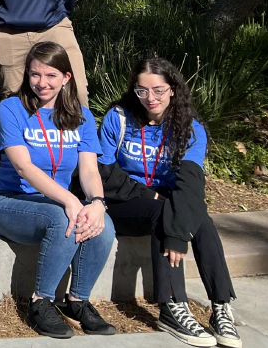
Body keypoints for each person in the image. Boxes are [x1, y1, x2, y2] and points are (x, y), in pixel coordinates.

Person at [98, 58, 239, 348]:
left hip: (167, 199)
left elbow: (190, 184)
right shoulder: (119, 117)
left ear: (173, 89)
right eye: (142, 91)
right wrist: (149, 195)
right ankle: (172, 305)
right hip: (122, 201)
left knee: (200, 218)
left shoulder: (190, 129)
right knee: (166, 210)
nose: (150, 98)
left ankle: (221, 306)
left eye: (159, 90)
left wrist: (177, 233)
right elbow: (103, 173)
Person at [0, 42, 116, 339]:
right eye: (34, 75)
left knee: (104, 226)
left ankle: (77, 302)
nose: (41, 83)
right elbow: (24, 167)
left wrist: (96, 203)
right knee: (62, 220)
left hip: (56, 201)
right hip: (11, 203)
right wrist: (71, 200)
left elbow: (88, 169)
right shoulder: (11, 108)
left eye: (50, 76)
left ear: (66, 78)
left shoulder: (80, 115)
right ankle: (40, 302)